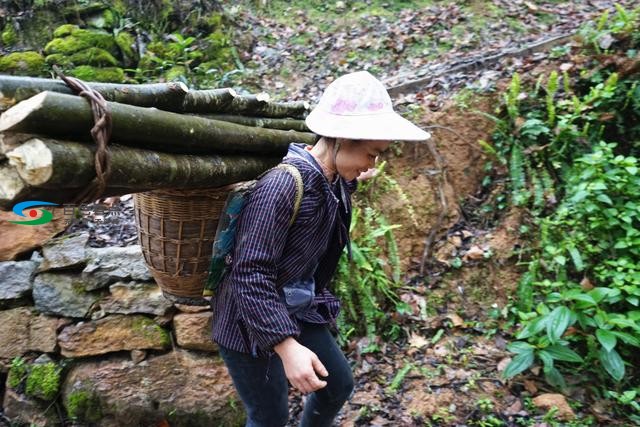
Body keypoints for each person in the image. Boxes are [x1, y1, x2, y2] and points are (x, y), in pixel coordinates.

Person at [210, 70, 430, 427]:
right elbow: (249, 272)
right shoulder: (281, 186)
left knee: (336, 384)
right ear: (343, 138)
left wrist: (355, 177)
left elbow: (320, 205)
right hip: (248, 318)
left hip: (294, 305)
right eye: (372, 154)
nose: (373, 164)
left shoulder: (332, 178)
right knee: (268, 416)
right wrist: (286, 346)